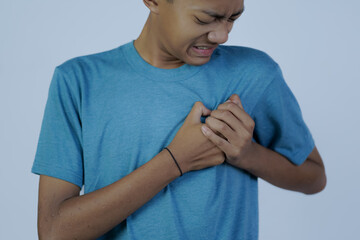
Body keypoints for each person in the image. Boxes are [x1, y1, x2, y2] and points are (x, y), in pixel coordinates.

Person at [31, 0, 327, 239]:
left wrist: (247, 154)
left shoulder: (255, 73)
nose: (222, 35)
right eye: (204, 19)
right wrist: (176, 161)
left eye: (233, 18)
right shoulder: (78, 81)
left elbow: (314, 177)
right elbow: (55, 231)